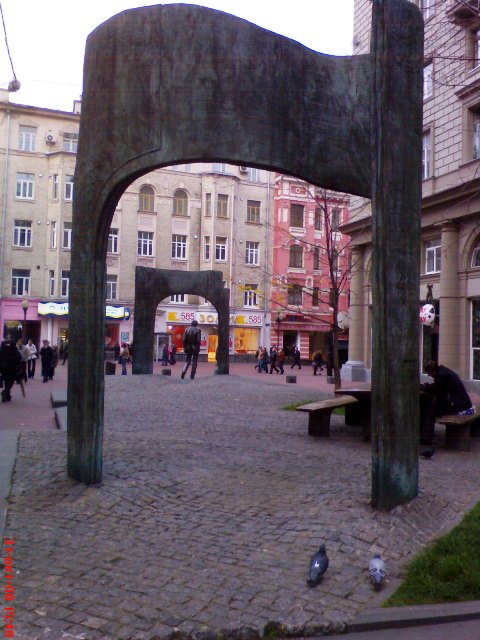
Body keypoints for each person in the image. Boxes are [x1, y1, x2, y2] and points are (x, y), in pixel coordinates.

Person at [420, 360, 475, 445]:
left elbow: (435, 388)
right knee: (430, 406)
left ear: (433, 371)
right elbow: (437, 388)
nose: (428, 375)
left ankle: (426, 438)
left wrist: (422, 386)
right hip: (461, 403)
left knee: (431, 409)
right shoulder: (443, 372)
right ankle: (425, 434)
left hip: (459, 406)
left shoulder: (442, 375)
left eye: (429, 373)